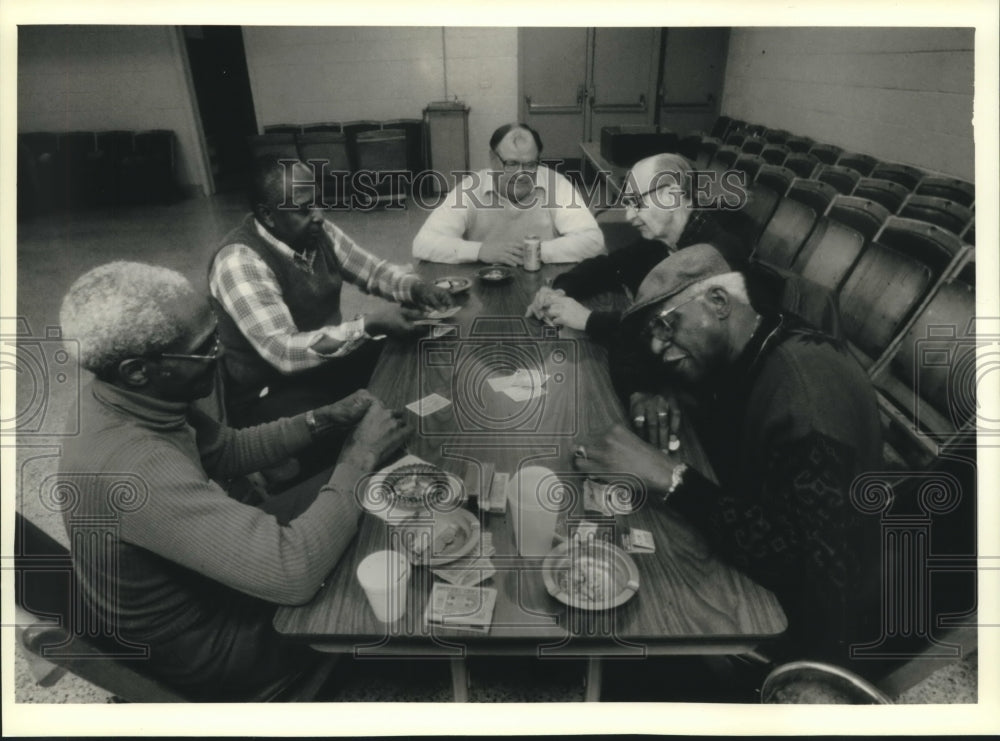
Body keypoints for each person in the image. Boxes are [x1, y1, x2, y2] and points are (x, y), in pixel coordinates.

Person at [57, 261, 413, 700]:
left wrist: (323, 419)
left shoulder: (124, 395)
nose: (222, 353)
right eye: (206, 347)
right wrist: (360, 455)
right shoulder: (134, 466)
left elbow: (226, 449)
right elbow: (294, 573)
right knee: (373, 536)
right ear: (138, 370)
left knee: (366, 492)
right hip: (214, 649)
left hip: (204, 583)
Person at [572, 245, 883, 666]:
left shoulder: (805, 399)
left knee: (622, 621)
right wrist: (648, 391)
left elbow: (808, 572)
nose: (661, 348)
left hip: (795, 630)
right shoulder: (755, 333)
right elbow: (630, 354)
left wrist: (673, 478)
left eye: (666, 327)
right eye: (654, 336)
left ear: (718, 302)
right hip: (755, 538)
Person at [209, 157, 453, 430]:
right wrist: (368, 325)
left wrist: (415, 287)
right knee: (358, 424)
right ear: (267, 215)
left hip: (321, 365)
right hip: (270, 392)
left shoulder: (314, 231)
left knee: (407, 352)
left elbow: (372, 272)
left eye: (318, 201)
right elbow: (286, 353)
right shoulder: (239, 261)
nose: (319, 215)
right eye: (303, 209)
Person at [412, 123, 604, 265]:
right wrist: (480, 250)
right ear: (493, 159)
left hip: (543, 283)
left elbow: (593, 241)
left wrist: (535, 251)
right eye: (511, 164)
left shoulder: (557, 184)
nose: (522, 174)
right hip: (484, 284)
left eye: (530, 164)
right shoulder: (470, 189)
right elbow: (423, 243)